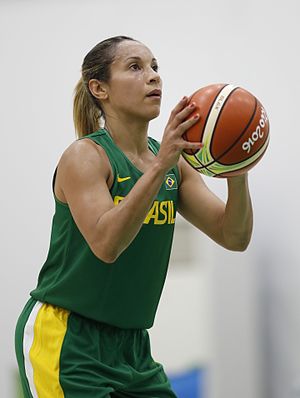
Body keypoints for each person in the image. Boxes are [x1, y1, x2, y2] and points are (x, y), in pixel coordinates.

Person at [15, 35, 253, 397]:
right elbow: (107, 244)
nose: (154, 76)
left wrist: (237, 169)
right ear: (100, 89)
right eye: (135, 67)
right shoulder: (86, 157)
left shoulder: (173, 166)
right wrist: (160, 166)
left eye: (155, 66)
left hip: (132, 346)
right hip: (67, 338)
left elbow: (234, 237)